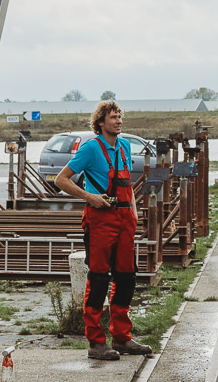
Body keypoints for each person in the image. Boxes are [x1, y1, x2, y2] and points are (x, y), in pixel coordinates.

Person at [53, 100, 153, 363]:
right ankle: (96, 342)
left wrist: (134, 213)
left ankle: (122, 337)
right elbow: (60, 179)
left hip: (124, 219)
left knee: (126, 277)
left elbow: (127, 184)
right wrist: (89, 197)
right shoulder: (90, 148)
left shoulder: (124, 145)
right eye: (113, 117)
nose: (118, 120)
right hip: (100, 219)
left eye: (120, 116)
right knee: (98, 279)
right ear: (100, 122)